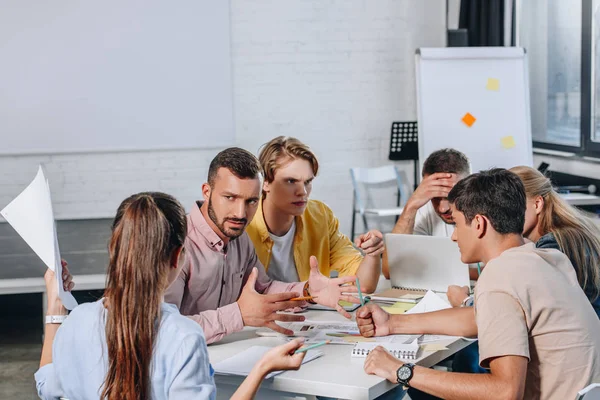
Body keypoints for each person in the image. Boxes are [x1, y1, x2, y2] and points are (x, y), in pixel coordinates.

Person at [34, 192, 310, 400]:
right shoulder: (183, 337)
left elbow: (46, 387)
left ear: (113, 250)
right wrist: (262, 367)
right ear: (178, 256)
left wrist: (55, 307)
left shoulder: (76, 322)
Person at [357, 169, 600, 399]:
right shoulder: (546, 258)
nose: (453, 236)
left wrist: (401, 371)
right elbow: (477, 318)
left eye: (457, 224)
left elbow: (505, 392)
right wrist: (392, 323)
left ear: (479, 224)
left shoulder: (500, 276)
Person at [165, 148, 359, 344]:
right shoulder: (176, 244)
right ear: (207, 192)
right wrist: (238, 315)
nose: (240, 213)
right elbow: (165, 329)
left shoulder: (239, 237)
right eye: (230, 197)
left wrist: (308, 292)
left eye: (251, 201)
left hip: (225, 353)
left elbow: (264, 289)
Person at [447, 166, 600, 317]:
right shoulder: (566, 233)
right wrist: (472, 273)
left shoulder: (553, 246)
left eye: (514, 205)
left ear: (538, 204)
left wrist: (465, 302)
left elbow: (520, 310)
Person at [246, 136, 384, 293]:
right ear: (265, 183)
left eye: (307, 182)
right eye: (291, 181)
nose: (303, 192)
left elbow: (363, 286)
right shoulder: (243, 223)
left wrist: (373, 255)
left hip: (311, 315)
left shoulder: (320, 217)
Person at [382, 148, 470, 280]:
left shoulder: (489, 207)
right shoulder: (424, 210)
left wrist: (434, 269)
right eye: (435, 197)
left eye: (450, 196)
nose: (442, 208)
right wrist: (410, 207)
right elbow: (391, 270)